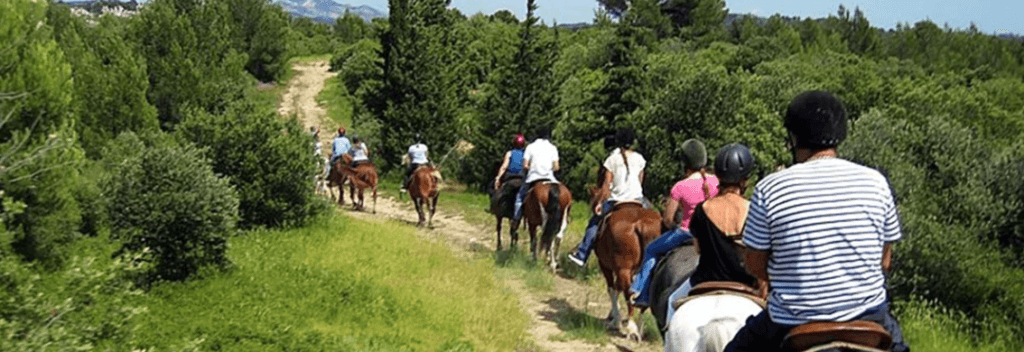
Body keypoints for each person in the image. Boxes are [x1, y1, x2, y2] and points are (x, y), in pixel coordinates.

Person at [723, 91, 908, 352]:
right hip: (869, 315)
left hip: (790, 321)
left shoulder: (770, 188)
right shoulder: (876, 182)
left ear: (794, 137)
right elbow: (884, 261)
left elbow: (755, 265)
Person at [662, 143, 763, 322]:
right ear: (744, 180)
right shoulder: (753, 210)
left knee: (671, 301)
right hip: (745, 282)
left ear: (718, 175)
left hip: (704, 280)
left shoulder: (702, 209)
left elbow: (698, 249)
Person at [626, 139, 719, 305]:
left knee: (651, 249)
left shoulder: (680, 186)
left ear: (685, 163)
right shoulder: (716, 181)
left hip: (685, 233)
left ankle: (642, 293)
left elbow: (668, 218)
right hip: (713, 234)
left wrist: (673, 226)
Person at [567, 128, 648, 266]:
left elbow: (606, 185)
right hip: (638, 200)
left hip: (617, 201)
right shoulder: (640, 158)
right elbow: (640, 181)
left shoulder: (612, 159)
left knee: (595, 222)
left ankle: (582, 254)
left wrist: (599, 203)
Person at [512, 127, 560, 224]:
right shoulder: (553, 147)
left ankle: (516, 219)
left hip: (533, 178)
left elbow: (525, 165)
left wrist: (530, 169)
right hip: (549, 178)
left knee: (519, 198)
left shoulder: (530, 147)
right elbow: (556, 167)